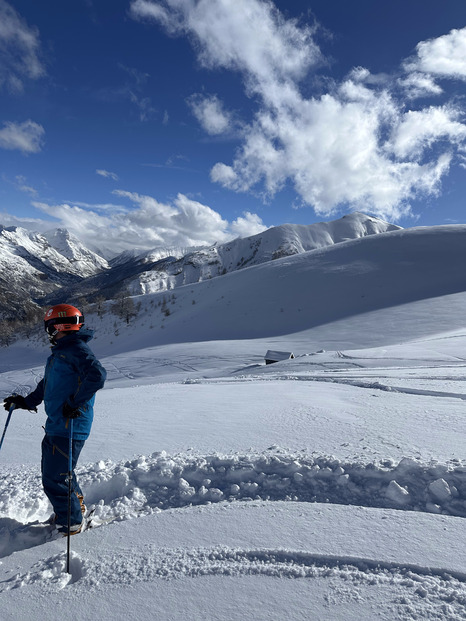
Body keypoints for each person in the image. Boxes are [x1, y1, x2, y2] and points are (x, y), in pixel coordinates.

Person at [3, 304, 106, 535]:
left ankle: (70, 523)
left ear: (57, 325)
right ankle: (71, 513)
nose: (48, 331)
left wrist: (74, 403)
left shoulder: (76, 349)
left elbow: (97, 376)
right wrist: (27, 402)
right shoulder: (62, 351)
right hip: (58, 424)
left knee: (56, 477)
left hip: (69, 425)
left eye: (49, 326)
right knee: (61, 473)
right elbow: (48, 383)